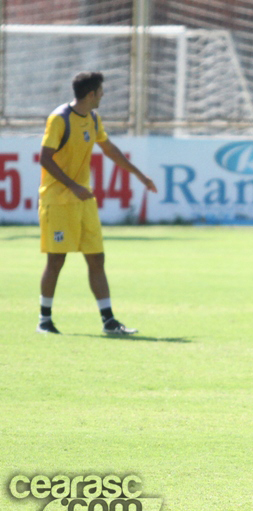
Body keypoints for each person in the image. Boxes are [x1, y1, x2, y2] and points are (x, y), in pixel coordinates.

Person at [37, 71, 157, 335]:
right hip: (58, 201)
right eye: (101, 91)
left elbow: (110, 149)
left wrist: (140, 175)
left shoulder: (92, 118)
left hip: (83, 201)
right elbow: (45, 159)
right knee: (56, 260)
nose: (103, 95)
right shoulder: (59, 119)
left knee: (97, 258)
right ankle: (44, 320)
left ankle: (108, 320)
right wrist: (73, 186)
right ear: (91, 94)